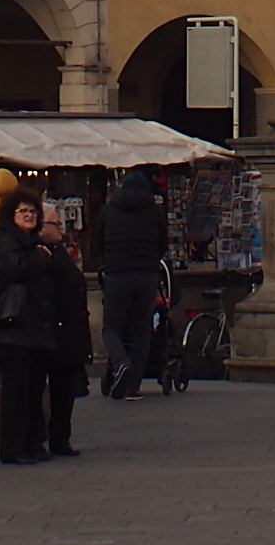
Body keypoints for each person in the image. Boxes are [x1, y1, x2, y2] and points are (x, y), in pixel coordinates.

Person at [0, 188, 61, 462]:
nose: (29, 216)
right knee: (16, 392)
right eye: (23, 211)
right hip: (13, 329)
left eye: (33, 212)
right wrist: (42, 257)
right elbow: (16, 269)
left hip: (33, 329)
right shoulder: (7, 240)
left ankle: (32, 443)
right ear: (11, 214)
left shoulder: (32, 241)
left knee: (33, 391)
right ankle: (13, 447)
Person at [90, 169, 164, 401]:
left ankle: (121, 362)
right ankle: (133, 387)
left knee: (111, 327)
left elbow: (97, 242)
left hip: (117, 275)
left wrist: (108, 261)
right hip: (146, 275)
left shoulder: (108, 210)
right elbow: (162, 243)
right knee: (143, 330)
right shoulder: (155, 211)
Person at [40, 211, 91, 457]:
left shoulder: (57, 250)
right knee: (50, 386)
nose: (60, 227)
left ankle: (61, 436)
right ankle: (47, 437)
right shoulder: (41, 252)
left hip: (68, 328)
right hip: (52, 328)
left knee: (65, 387)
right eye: (54, 223)